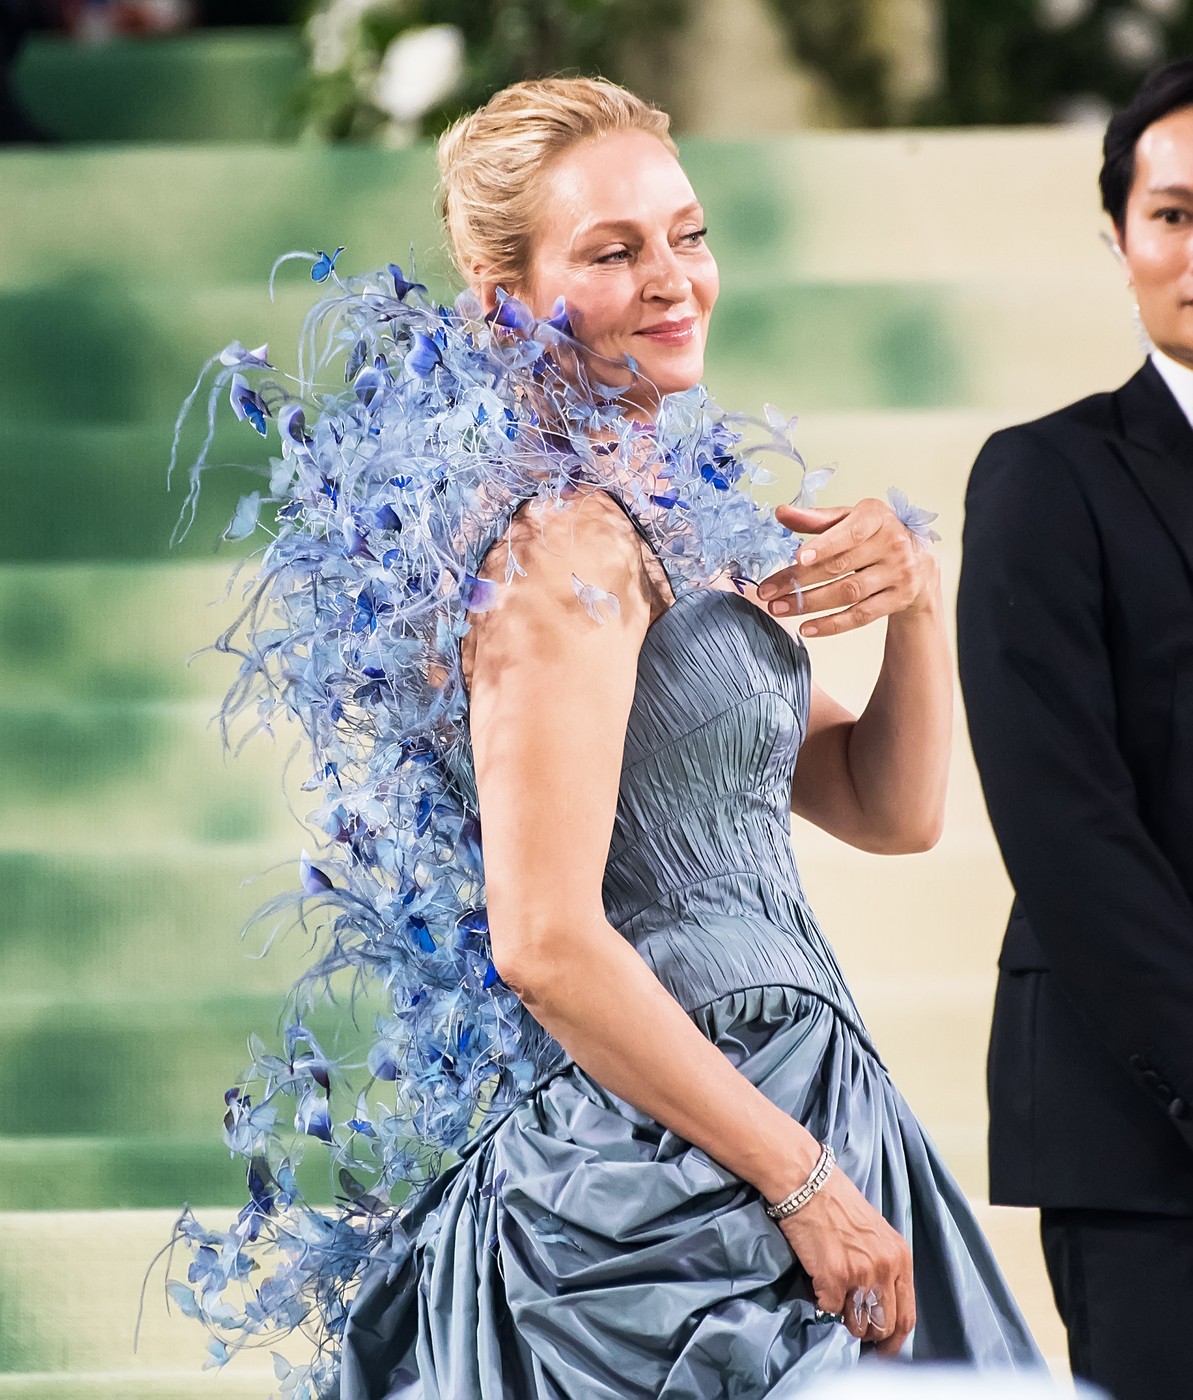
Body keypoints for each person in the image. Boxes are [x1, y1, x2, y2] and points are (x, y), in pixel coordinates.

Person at [174, 77, 1040, 1396]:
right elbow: (543, 940)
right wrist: (803, 1183)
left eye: (686, 235)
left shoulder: (665, 516)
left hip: (792, 1087)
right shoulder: (559, 544)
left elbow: (889, 810)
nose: (672, 279)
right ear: (502, 298)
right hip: (657, 1180)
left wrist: (916, 601)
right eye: (613, 251)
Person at [957, 56, 1193, 1400]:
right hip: (1147, 1134)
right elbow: (1063, 824)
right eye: (1173, 214)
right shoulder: (1046, 476)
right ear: (1118, 239)